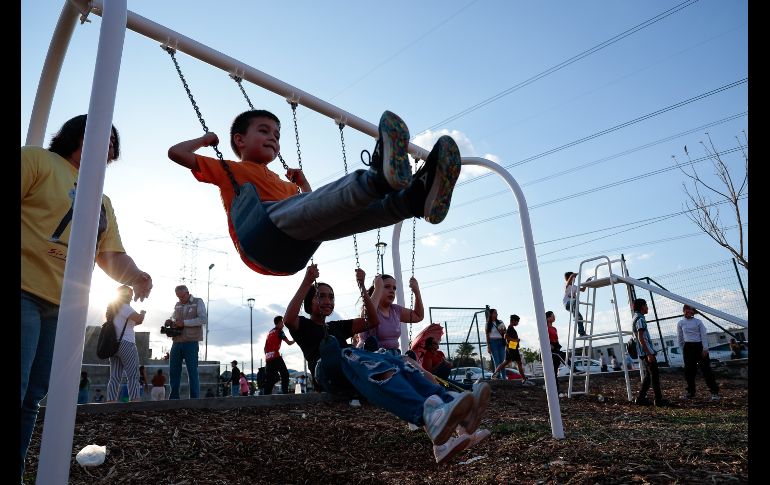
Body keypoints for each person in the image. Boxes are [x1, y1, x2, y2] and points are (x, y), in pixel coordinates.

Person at [167, 110, 461, 276]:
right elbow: (176, 153)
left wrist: (302, 182)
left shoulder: (286, 185)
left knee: (340, 217)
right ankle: (377, 180)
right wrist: (205, 140)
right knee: (308, 208)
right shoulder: (229, 168)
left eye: (277, 135)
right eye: (264, 131)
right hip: (259, 233)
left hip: (292, 245)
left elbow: (316, 205)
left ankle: (411, 200)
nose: (273, 138)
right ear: (239, 140)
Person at [21, 114, 153, 479]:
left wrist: (138, 275)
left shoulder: (103, 200)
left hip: (64, 310)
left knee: (32, 398)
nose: (110, 143)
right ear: (77, 133)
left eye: (115, 140)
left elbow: (109, 256)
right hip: (23, 292)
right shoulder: (36, 160)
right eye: (104, 134)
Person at [284, 264, 491, 464]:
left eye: (331, 296)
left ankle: (457, 415)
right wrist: (307, 281)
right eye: (321, 296)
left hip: (351, 369)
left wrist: (365, 290)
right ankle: (425, 414)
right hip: (327, 371)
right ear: (309, 301)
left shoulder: (338, 326)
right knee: (349, 352)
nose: (327, 300)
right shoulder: (303, 325)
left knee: (402, 365)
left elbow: (371, 321)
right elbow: (288, 318)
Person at [354, 274, 424, 355]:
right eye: (387, 286)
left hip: (392, 355)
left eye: (394, 288)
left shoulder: (396, 310)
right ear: (378, 288)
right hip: (371, 355)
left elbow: (418, 316)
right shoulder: (369, 308)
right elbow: (370, 315)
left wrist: (417, 292)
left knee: (411, 360)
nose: (392, 291)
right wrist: (377, 289)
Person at [105, 285, 146, 402]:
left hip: (114, 345)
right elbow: (139, 319)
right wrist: (143, 313)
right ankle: (135, 400)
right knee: (133, 375)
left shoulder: (113, 309)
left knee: (114, 377)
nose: (132, 296)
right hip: (127, 343)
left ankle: (111, 402)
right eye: (131, 294)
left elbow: (130, 323)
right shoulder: (125, 307)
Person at [168, 285, 207, 399]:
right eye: (178, 297)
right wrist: (170, 321)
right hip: (177, 341)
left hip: (191, 342)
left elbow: (203, 319)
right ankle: (174, 398)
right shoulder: (177, 304)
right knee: (173, 371)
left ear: (188, 293)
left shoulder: (198, 302)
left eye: (181, 297)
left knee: (192, 372)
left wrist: (184, 323)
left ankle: (194, 399)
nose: (180, 299)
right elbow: (175, 318)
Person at [632, 298, 671, 407]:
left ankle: (640, 398)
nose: (647, 307)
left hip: (644, 352)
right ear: (642, 307)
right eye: (646, 305)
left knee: (648, 376)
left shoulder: (635, 318)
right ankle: (658, 400)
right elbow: (641, 338)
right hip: (646, 352)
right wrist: (649, 353)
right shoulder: (640, 319)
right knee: (654, 376)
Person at [677, 304, 720, 401]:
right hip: (688, 348)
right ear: (684, 310)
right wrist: (683, 349)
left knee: (706, 370)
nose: (690, 313)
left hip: (699, 347)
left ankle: (714, 393)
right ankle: (690, 392)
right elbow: (680, 337)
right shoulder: (680, 323)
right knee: (689, 372)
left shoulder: (698, 322)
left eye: (692, 311)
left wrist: (705, 348)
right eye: (688, 311)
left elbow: (704, 336)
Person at [492, 315, 532, 385]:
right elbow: (506, 336)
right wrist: (516, 340)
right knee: (519, 363)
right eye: (517, 321)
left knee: (505, 362)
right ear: (513, 320)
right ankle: (524, 379)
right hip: (512, 347)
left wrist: (516, 341)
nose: (517, 323)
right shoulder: (510, 328)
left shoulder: (511, 328)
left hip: (510, 347)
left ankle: (495, 374)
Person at [264, 315, 296, 394]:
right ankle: (285, 393)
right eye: (282, 322)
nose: (283, 324)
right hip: (275, 356)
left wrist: (268, 354)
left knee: (270, 378)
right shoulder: (280, 331)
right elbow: (289, 343)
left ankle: (266, 395)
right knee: (285, 374)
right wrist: (295, 339)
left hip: (268, 357)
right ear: (279, 323)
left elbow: (265, 347)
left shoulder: (270, 332)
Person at [563, 271, 588, 337]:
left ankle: (581, 333)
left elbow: (583, 289)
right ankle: (575, 315)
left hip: (574, 305)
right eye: (574, 278)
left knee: (580, 317)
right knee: (575, 301)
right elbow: (569, 281)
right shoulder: (567, 286)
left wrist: (587, 282)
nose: (575, 279)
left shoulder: (575, 287)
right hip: (567, 304)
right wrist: (573, 275)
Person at [485, 309, 507, 378]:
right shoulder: (488, 324)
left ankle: (504, 378)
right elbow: (487, 335)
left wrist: (502, 331)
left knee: (503, 361)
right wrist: (488, 346)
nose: (496, 314)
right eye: (494, 313)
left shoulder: (500, 322)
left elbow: (505, 331)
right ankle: (498, 377)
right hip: (493, 342)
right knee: (496, 361)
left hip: (501, 342)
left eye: (496, 313)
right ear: (491, 314)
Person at [546, 311, 564, 394]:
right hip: (551, 350)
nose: (554, 317)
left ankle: (556, 390)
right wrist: (550, 345)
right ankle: (554, 390)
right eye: (552, 316)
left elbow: (556, 339)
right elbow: (542, 339)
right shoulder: (545, 327)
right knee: (552, 373)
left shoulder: (554, 328)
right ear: (548, 318)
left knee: (555, 372)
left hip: (556, 348)